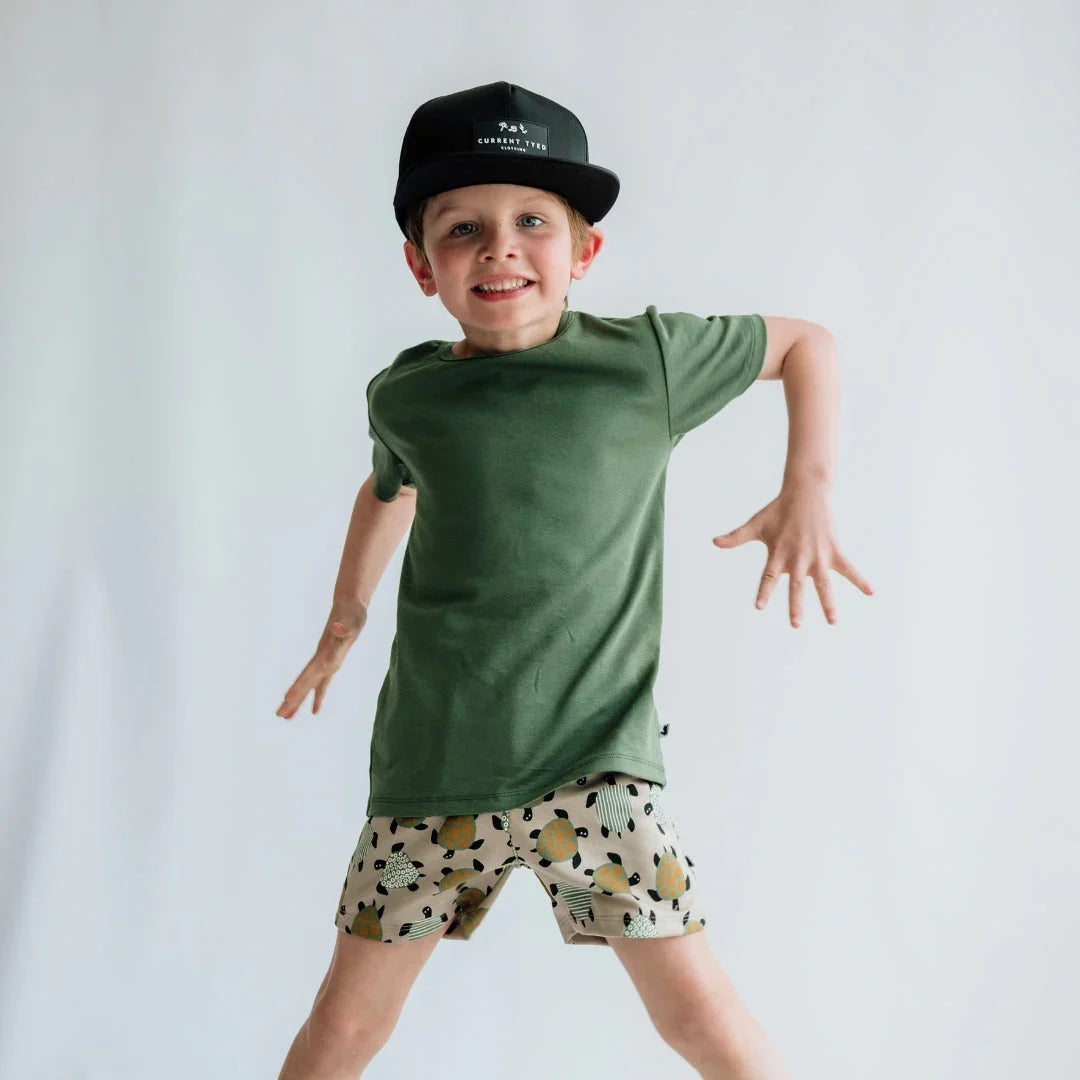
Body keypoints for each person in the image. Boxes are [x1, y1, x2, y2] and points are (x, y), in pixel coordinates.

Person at [274, 80, 872, 1080]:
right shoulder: (407, 393)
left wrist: (805, 488)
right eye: (463, 228)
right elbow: (388, 490)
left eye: (532, 222)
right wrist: (345, 618)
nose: (499, 246)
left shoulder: (649, 363)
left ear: (583, 251)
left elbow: (808, 342)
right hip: (432, 769)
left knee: (699, 1021)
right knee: (344, 1032)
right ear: (423, 267)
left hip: (599, 773)